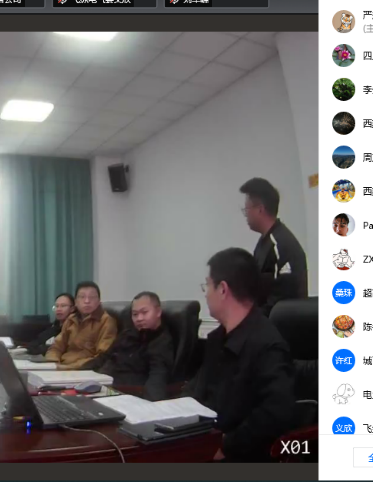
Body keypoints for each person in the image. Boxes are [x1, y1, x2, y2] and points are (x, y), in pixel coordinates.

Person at [185, 248, 296, 462]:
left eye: (207, 285)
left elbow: (275, 412)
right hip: (202, 443)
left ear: (223, 289)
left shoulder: (267, 344)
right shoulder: (217, 339)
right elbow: (198, 390)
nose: (205, 293)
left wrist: (227, 446)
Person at [240, 178, 309, 316]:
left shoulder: (281, 246)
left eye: (246, 209)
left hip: (283, 325)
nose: (245, 214)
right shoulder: (264, 242)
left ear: (260, 209)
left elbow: (280, 305)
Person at [91, 292, 174, 401]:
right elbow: (104, 357)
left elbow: (157, 379)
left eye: (144, 312)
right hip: (102, 387)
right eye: (135, 314)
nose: (139, 318)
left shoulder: (161, 342)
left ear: (158, 312)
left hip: (126, 396)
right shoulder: (127, 335)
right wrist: (79, 374)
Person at [45, 281, 117, 370]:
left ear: (99, 301)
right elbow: (57, 346)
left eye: (92, 297)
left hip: (84, 370)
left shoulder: (106, 321)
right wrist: (52, 363)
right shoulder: (71, 319)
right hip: (62, 368)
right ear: (76, 302)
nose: (87, 301)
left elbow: (102, 356)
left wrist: (68, 367)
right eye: (82, 297)